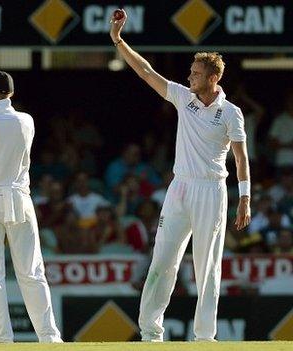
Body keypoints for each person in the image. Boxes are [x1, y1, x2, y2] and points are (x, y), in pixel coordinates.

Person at [110, 10, 251, 341]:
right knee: (162, 260)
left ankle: (204, 337)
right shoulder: (183, 97)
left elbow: (241, 157)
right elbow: (146, 72)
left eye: (196, 74)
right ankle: (150, 333)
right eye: (190, 72)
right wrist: (118, 40)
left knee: (207, 267)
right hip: (180, 188)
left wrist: (245, 197)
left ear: (213, 78)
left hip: (212, 190)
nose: (190, 77)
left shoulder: (231, 113)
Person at [0, 71, 62, 343]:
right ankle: (49, 335)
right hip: (19, 197)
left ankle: (2, 338)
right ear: (11, 94)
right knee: (32, 270)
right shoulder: (26, 120)